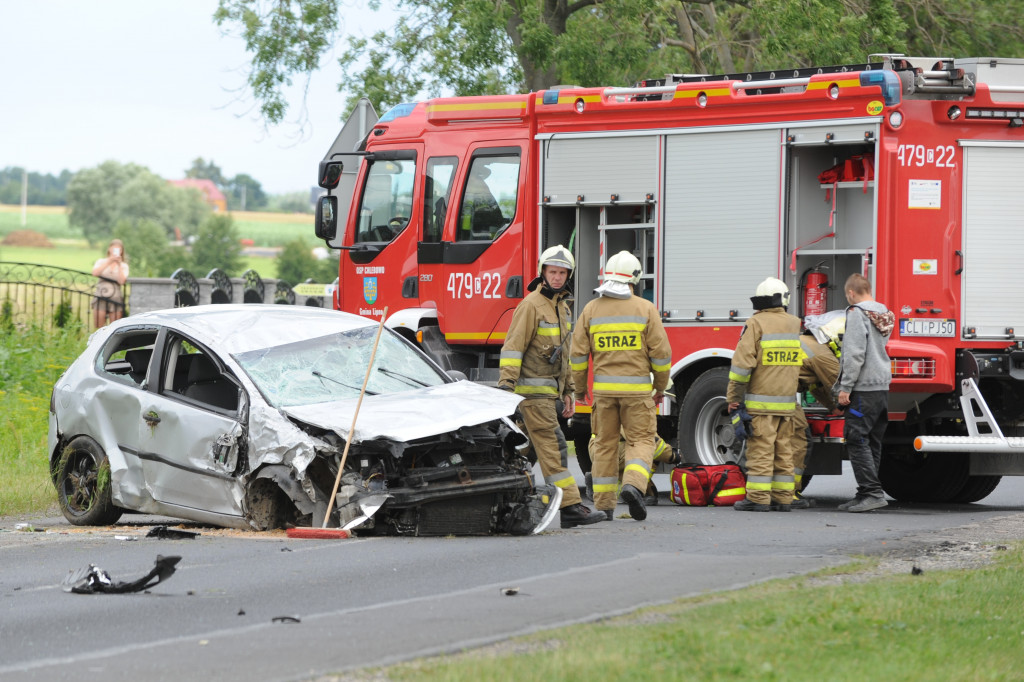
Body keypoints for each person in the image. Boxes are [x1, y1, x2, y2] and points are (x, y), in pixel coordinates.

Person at [498, 245, 605, 529]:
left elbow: (564, 355)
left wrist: (569, 391)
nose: (557, 277)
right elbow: (513, 348)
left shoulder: (562, 307)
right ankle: (570, 506)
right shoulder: (531, 305)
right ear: (543, 272)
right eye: (552, 271)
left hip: (549, 395)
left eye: (562, 273)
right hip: (532, 395)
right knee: (554, 447)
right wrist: (506, 386)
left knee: (528, 452)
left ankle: (500, 493)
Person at [570, 251, 672, 522]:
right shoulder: (645, 309)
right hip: (637, 394)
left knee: (604, 444)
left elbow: (578, 355)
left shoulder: (591, 309)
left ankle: (605, 506)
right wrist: (660, 386)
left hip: (603, 395)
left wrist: (579, 390)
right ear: (634, 278)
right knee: (640, 440)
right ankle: (633, 485)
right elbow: (661, 355)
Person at [727, 277, 802, 512]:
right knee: (784, 451)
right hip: (787, 405)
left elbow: (741, 366)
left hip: (761, 404)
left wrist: (734, 398)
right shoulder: (794, 324)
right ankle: (783, 497)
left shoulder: (755, 323)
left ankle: (758, 497)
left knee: (761, 450)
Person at [836, 273, 895, 513]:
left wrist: (845, 387)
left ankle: (872, 493)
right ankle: (865, 493)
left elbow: (854, 353)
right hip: (881, 387)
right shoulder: (884, 313)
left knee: (856, 438)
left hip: (863, 388)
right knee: (872, 441)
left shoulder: (856, 313)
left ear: (851, 293)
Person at [791, 330, 841, 508]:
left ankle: (778, 492)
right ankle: (789, 493)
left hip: (770, 391)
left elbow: (814, 386)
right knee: (799, 439)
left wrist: (832, 408)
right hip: (780, 395)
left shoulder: (806, 342)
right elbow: (839, 385)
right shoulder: (822, 354)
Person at [92, 239, 129, 327]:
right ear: (109, 249)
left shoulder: (124, 265)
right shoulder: (101, 261)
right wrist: (109, 261)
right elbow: (95, 273)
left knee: (114, 327)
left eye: (118, 250)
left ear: (121, 251)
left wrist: (118, 264)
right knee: (99, 327)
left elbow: (121, 281)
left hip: (115, 298)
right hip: (101, 295)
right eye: (114, 249)